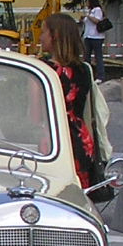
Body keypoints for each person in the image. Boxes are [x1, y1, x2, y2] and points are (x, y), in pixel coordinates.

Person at [38, 12, 99, 189]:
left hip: (52, 142)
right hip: (81, 140)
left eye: (43, 33)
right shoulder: (85, 69)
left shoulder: (44, 70)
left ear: (54, 36)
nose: (40, 38)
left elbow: (35, 116)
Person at [83, 0, 106, 77]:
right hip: (88, 36)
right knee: (86, 57)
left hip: (96, 37)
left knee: (98, 57)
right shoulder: (90, 11)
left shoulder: (97, 9)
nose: (86, 3)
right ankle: (87, 75)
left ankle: (100, 76)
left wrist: (88, 16)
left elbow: (97, 20)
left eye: (87, 1)